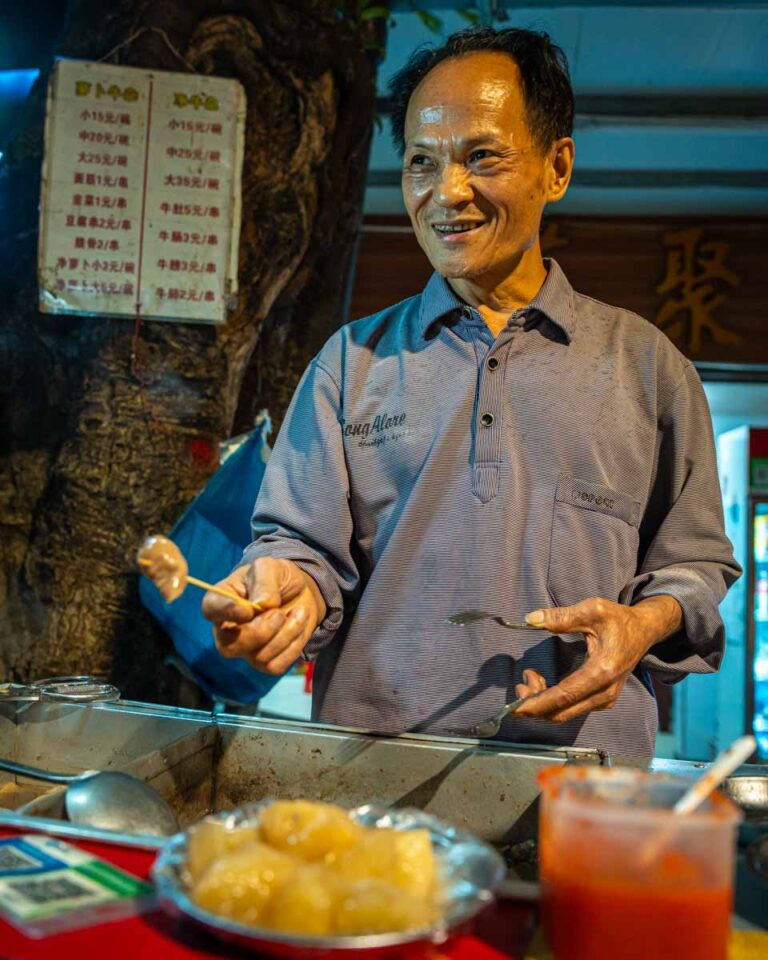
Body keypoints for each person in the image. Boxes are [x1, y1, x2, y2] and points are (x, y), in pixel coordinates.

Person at [202, 27, 740, 757]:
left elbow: (696, 565)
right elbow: (301, 550)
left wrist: (643, 623)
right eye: (422, 162)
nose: (446, 191)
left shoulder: (648, 366)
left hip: (582, 780)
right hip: (370, 777)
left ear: (557, 166)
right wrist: (283, 592)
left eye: (482, 156)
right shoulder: (350, 363)